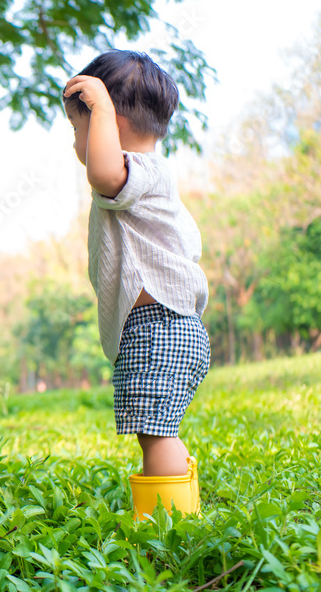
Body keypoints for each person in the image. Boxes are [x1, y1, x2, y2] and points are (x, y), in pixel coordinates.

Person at [62, 50, 211, 521]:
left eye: (77, 129)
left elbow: (103, 172)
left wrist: (100, 109)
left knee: (156, 434)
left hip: (159, 326)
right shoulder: (144, 179)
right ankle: (179, 511)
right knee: (159, 431)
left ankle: (167, 527)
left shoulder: (137, 171)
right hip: (162, 326)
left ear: (112, 124)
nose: (75, 143)